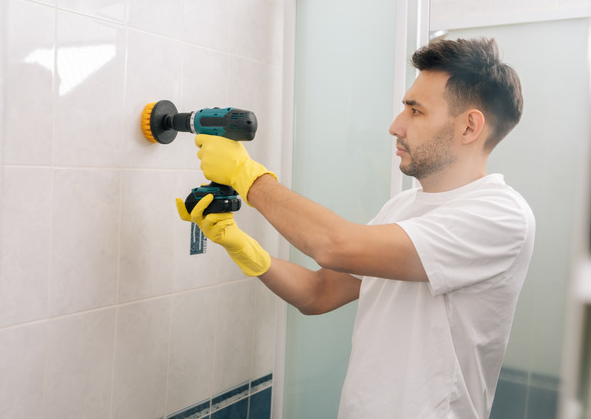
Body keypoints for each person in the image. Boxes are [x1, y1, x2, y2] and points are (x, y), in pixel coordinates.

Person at [176, 37, 535, 418]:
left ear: (469, 127)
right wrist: (242, 247)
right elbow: (319, 291)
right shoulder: (402, 207)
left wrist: (247, 176)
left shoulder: (500, 216)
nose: (396, 126)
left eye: (415, 112)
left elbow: (335, 244)